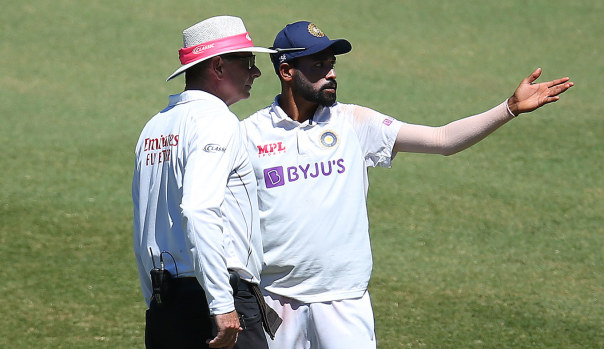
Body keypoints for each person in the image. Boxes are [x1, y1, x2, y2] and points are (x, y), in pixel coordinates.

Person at [241, 21, 574, 349]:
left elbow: (442, 139)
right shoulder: (248, 135)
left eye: (332, 64)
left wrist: (509, 108)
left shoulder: (353, 122)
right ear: (286, 71)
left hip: (344, 300)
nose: (332, 73)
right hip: (275, 301)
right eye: (319, 65)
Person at [133, 16, 279, 349]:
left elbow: (143, 225)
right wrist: (222, 304)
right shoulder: (216, 121)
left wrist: (155, 302)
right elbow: (199, 210)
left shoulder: (154, 127)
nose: (256, 72)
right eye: (248, 62)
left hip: (165, 306)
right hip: (215, 299)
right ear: (217, 67)